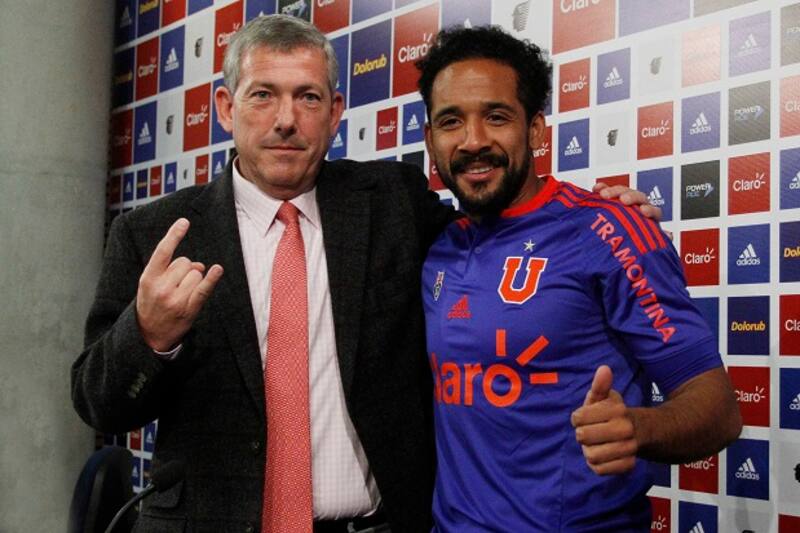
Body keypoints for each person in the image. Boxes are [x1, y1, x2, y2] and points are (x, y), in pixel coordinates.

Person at [72, 15, 659, 533]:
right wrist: (149, 337)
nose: (285, 120)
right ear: (226, 108)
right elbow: (99, 404)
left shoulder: (393, 201)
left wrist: (597, 214)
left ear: (334, 113)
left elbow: (496, 224)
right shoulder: (155, 234)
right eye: (263, 96)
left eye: (307, 98)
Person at [416, 26, 742, 532]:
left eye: (496, 117)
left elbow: (718, 411)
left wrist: (639, 427)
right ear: (430, 139)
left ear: (536, 131)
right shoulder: (437, 246)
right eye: (451, 121)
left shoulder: (611, 229)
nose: (473, 140)